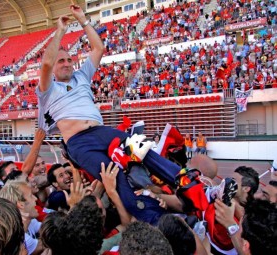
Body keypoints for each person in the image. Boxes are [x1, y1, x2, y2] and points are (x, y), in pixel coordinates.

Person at [37, 5, 182, 224]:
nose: (67, 64)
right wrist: (60, 30)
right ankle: (148, 219)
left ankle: (183, 179)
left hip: (100, 131)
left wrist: (83, 20)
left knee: (138, 146)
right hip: (78, 143)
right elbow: (46, 63)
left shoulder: (81, 77)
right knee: (114, 176)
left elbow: (98, 49)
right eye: (62, 61)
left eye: (69, 60)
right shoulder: (48, 90)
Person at [0, 180, 46, 255]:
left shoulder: (30, 221)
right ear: (21, 204)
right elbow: (51, 241)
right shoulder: (17, 237)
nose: (35, 199)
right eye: (31, 196)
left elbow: (50, 229)